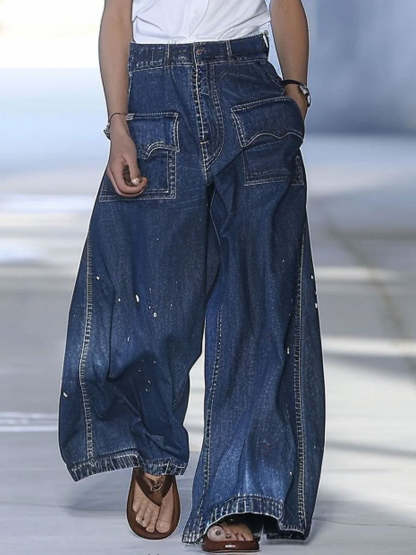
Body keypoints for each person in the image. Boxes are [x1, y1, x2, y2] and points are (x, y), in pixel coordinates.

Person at [58, 0, 326, 552]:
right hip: (155, 94)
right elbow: (117, 14)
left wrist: (295, 91)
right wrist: (118, 125)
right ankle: (154, 446)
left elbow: (285, 3)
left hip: (249, 91)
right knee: (152, 303)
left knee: (258, 305)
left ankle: (239, 494)